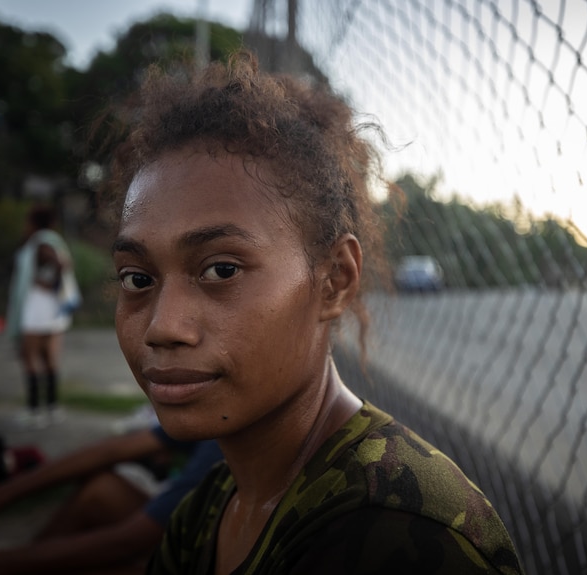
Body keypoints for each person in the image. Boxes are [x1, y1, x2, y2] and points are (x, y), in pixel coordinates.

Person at [107, 50, 523, 574]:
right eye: (138, 280)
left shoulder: (396, 533)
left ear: (334, 281)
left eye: (221, 271)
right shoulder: (208, 509)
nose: (162, 327)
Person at [0, 424, 224, 574]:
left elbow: (131, 540)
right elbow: (112, 450)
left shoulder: (231, 440)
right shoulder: (213, 408)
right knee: (102, 492)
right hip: (192, 544)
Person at [5, 205, 82, 428]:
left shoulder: (40, 241)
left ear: (33, 222)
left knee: (29, 358)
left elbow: (60, 264)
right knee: (50, 359)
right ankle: (52, 408)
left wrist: (46, 284)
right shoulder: (53, 239)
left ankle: (34, 410)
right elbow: (63, 264)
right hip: (53, 310)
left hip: (37, 309)